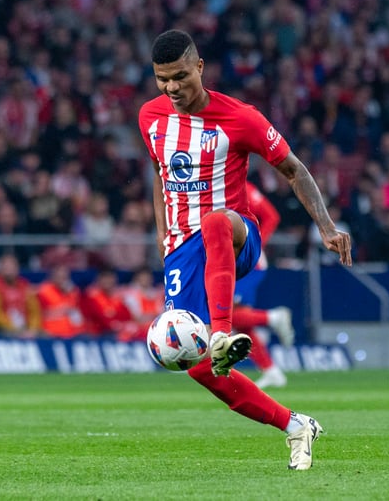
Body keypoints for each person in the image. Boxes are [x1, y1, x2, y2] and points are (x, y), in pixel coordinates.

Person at [138, 30, 352, 470]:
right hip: (182, 252)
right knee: (200, 369)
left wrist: (327, 227)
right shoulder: (150, 117)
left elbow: (293, 170)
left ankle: (221, 333)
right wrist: (163, 239)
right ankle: (295, 425)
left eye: (180, 76)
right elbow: (160, 176)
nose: (172, 87)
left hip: (236, 236)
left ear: (200, 67)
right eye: (163, 79)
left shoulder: (241, 118)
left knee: (215, 221)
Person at [233, 182, 295, 389]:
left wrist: (256, 245)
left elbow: (271, 216)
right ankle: (271, 371)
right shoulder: (213, 184)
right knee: (240, 322)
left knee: (226, 313)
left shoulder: (243, 187)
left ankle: (274, 317)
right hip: (232, 262)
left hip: (248, 263)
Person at [0, 253, 41, 337]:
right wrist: (15, 329)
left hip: (25, 328)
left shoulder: (25, 285)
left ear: (17, 268)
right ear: (0, 268)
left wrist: (32, 329)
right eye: (6, 267)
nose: (9, 270)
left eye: (12, 267)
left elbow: (34, 311)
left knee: (45, 336)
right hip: (3, 329)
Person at [36, 264, 85, 339]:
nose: (62, 280)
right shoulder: (44, 291)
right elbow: (40, 313)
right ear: (53, 277)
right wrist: (62, 310)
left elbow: (76, 312)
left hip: (72, 334)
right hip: (51, 334)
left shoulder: (73, 292)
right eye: (59, 277)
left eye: (65, 277)